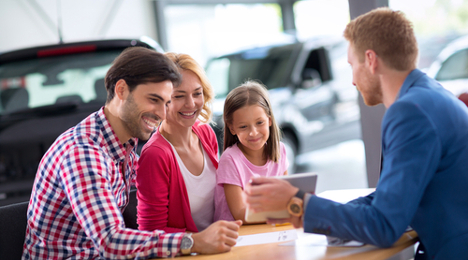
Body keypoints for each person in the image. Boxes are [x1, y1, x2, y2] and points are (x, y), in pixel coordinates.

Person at [245, 7, 468, 260]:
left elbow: (384, 224)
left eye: (352, 65)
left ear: (371, 60)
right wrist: (315, 207)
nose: (352, 80)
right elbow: (388, 196)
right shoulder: (430, 96)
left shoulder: (410, 112)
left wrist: (297, 204)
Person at [22, 47, 241, 259]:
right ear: (121, 90)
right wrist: (194, 242)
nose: (162, 114)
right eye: (153, 100)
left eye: (166, 103)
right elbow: (111, 241)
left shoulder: (125, 144)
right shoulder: (84, 153)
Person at [136, 52, 230, 233]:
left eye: (197, 93)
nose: (191, 103)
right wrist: (200, 241)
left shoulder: (205, 133)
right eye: (179, 96)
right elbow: (151, 233)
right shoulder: (155, 155)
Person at [214, 80, 288, 223]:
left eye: (259, 123)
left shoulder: (281, 150)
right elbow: (240, 214)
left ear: (270, 120)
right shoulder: (230, 159)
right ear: (232, 128)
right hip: (238, 235)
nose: (253, 133)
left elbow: (286, 196)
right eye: (243, 127)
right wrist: (281, 211)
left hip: (268, 228)